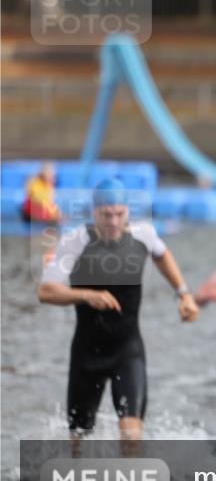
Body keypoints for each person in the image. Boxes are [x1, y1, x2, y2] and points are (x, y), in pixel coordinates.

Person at [37, 178, 199, 443]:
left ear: (127, 212)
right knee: (78, 443)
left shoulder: (143, 235)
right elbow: (46, 291)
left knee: (132, 438)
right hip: (87, 354)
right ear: (94, 213)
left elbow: (162, 255)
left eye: (119, 214)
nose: (113, 221)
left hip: (127, 351)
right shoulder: (75, 241)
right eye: (106, 215)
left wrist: (184, 293)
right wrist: (86, 295)